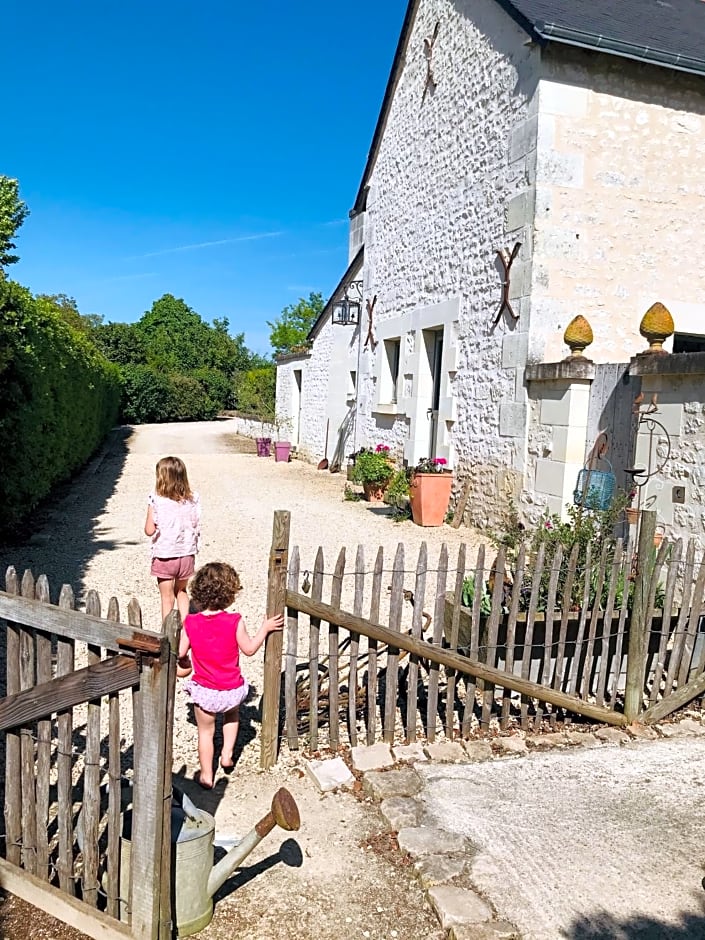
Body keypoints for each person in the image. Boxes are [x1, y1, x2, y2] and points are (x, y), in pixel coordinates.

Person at [177, 561, 283, 788]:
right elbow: (250, 649)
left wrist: (185, 661)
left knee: (205, 733)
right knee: (232, 716)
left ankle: (207, 775)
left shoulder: (191, 623)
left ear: (198, 592)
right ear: (230, 594)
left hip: (206, 691)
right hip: (231, 689)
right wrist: (264, 628)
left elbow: (180, 653)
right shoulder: (234, 621)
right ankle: (226, 755)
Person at [144, 456, 201, 626]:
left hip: (165, 555)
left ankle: (168, 635)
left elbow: (149, 530)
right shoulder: (193, 499)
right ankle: (186, 632)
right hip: (186, 554)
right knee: (181, 591)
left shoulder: (156, 500)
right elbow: (196, 523)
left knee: (166, 597)